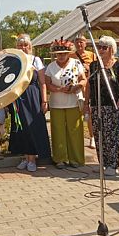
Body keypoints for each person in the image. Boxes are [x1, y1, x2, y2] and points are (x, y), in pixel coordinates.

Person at [84, 36, 119, 176]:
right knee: (99, 135)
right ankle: (102, 163)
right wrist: (86, 103)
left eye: (104, 47)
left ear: (111, 49)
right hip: (97, 105)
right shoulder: (94, 65)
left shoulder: (118, 66)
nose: (101, 50)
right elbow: (89, 85)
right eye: (99, 47)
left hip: (112, 106)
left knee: (112, 136)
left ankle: (113, 164)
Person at [10, 34, 51, 172]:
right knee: (21, 127)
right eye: (20, 45)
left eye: (25, 45)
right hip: (18, 96)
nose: (23, 47)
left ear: (30, 47)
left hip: (33, 95)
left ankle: (32, 158)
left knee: (33, 126)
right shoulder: (14, 60)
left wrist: (44, 100)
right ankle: (24, 157)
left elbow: (43, 82)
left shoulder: (36, 60)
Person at [45, 38, 87, 169]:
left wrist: (77, 87)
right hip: (56, 103)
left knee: (75, 130)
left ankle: (76, 159)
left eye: (64, 53)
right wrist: (58, 89)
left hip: (73, 102)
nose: (61, 56)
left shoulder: (76, 63)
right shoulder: (51, 67)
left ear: (69, 52)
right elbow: (47, 83)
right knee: (58, 131)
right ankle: (60, 158)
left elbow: (84, 80)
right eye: (59, 54)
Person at [73, 34, 97, 148]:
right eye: (77, 42)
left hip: (89, 86)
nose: (79, 44)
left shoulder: (92, 55)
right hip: (76, 87)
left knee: (89, 112)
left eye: (81, 41)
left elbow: (97, 69)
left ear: (85, 43)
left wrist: (89, 68)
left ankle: (92, 137)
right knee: (77, 112)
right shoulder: (71, 55)